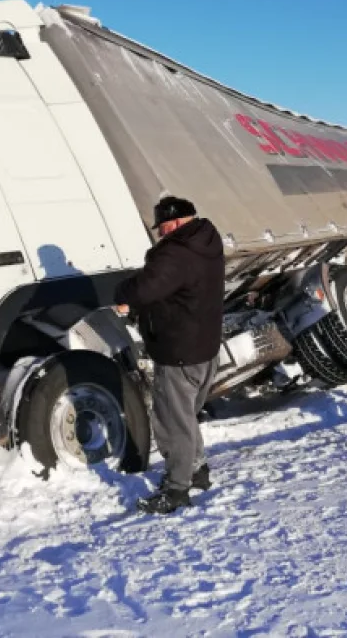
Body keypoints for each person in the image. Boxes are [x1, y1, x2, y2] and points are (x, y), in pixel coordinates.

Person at [114, 196, 225, 514]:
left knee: (171, 422)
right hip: (205, 348)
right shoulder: (208, 240)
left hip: (179, 351)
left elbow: (145, 288)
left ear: (174, 223)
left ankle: (176, 490)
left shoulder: (176, 253)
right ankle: (197, 470)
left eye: (162, 228)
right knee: (185, 415)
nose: (160, 235)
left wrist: (122, 293)